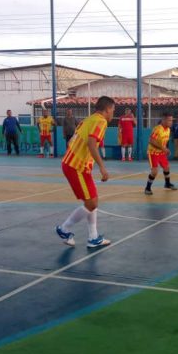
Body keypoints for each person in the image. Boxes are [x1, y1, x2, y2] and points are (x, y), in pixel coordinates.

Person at [55, 96, 114, 248]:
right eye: (113, 110)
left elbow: (70, 142)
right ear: (107, 109)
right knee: (92, 202)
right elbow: (92, 144)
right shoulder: (101, 121)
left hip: (76, 165)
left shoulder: (88, 120)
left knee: (92, 200)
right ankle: (64, 228)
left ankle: (93, 237)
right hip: (76, 166)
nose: (113, 113)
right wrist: (102, 167)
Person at [145, 112, 178, 195]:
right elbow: (151, 140)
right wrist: (163, 148)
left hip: (161, 152)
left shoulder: (168, 130)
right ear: (163, 120)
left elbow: (163, 142)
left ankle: (167, 184)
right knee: (155, 171)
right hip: (153, 152)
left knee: (167, 168)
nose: (171, 122)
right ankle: (147, 188)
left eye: (171, 120)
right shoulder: (158, 129)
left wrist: (166, 149)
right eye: (169, 120)